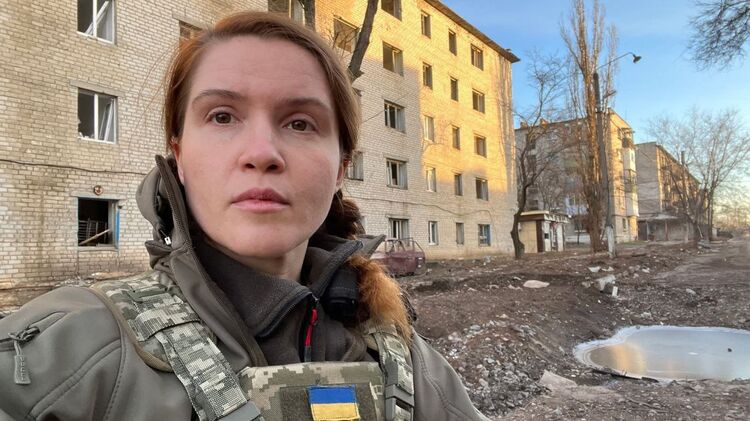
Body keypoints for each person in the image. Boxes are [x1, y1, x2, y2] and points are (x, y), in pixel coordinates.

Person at [0, 11, 489, 421]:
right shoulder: (61, 357)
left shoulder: (407, 363)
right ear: (179, 156)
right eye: (222, 116)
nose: (261, 153)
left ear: (342, 166)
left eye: (300, 123)